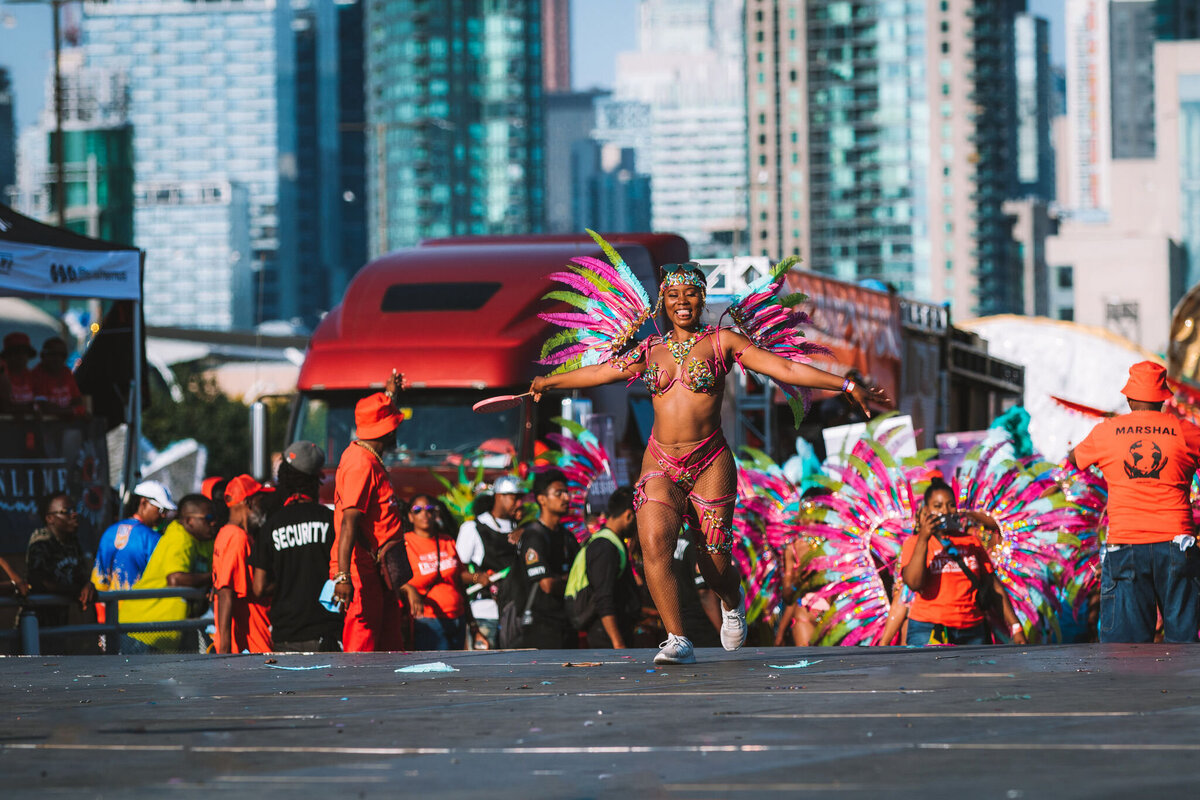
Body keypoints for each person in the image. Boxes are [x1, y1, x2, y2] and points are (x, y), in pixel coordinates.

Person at [530, 262, 888, 664]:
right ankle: (677, 638)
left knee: (713, 563)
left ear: (702, 299)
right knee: (653, 543)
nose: (682, 302)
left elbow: (784, 368)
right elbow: (598, 372)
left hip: (710, 461)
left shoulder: (725, 342)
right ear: (662, 302)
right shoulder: (649, 350)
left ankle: (731, 602)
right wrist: (548, 381)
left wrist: (843, 384)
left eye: (690, 294)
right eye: (673, 296)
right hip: (660, 463)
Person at [1068, 360, 1200, 643]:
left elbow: (1074, 460)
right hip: (1177, 545)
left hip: (1125, 545)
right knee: (1185, 649)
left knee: (1125, 653)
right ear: (1164, 398)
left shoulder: (1106, 431)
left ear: (1128, 398)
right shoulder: (1187, 431)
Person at [331, 372, 408, 652]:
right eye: (394, 423)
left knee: (388, 645)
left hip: (379, 570)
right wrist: (343, 576)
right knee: (362, 648)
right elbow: (349, 524)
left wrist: (390, 394)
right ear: (387, 431)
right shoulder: (360, 463)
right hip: (361, 570)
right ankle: (358, 695)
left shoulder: (368, 454)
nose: (397, 430)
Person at [900, 479, 1026, 646]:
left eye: (951, 505)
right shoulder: (914, 543)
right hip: (928, 629)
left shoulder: (971, 542)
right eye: (938, 506)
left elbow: (994, 586)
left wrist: (1016, 627)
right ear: (926, 510)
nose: (945, 511)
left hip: (972, 631)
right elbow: (914, 584)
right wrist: (924, 537)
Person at [251, 442, 341, 652]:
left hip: (285, 635)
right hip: (327, 633)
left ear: (284, 478)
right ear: (316, 480)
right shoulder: (331, 520)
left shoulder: (271, 525)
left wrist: (286, 579)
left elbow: (258, 587)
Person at [120, 494, 218, 653]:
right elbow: (175, 579)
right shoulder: (179, 537)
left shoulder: (205, 541)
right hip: (142, 630)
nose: (214, 522)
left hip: (168, 632)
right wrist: (213, 578)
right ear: (188, 521)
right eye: (208, 517)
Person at [511, 469, 580, 649]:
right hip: (540, 629)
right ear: (542, 499)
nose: (566, 498)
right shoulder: (534, 536)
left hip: (567, 625)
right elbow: (547, 585)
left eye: (567, 492)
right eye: (559, 493)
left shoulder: (568, 537)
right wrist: (571, 580)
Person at [455, 474, 522, 649]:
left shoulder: (521, 530)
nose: (519, 504)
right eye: (515, 498)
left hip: (515, 615)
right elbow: (455, 573)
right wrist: (478, 578)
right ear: (500, 496)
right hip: (484, 614)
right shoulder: (473, 528)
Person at [571, 487, 642, 648]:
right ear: (629, 515)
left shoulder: (613, 542)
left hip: (615, 634)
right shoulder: (604, 547)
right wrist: (618, 644)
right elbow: (603, 598)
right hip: (606, 639)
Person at [402, 494, 475, 650]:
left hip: (457, 618)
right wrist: (409, 589)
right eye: (417, 510)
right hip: (428, 621)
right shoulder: (405, 544)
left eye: (429, 509)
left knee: (456, 670)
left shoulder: (447, 540)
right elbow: (392, 579)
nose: (425, 514)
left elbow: (459, 577)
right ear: (410, 516)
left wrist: (477, 577)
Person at [213, 474, 273, 653]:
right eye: (260, 500)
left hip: (247, 644)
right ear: (249, 502)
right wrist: (224, 648)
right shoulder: (237, 537)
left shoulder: (226, 533)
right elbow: (225, 591)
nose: (263, 507)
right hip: (250, 644)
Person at [92, 480, 175, 600]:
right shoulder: (153, 538)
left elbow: (99, 579)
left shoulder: (109, 532)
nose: (164, 516)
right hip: (139, 610)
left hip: (109, 611)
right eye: (161, 510)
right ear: (144, 503)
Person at [25, 492, 96, 629]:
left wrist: (87, 585)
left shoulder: (72, 543)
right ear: (50, 518)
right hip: (36, 625)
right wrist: (74, 591)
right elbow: (39, 582)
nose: (74, 514)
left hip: (60, 624)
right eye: (67, 511)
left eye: (75, 510)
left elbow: (79, 575)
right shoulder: (41, 541)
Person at [31, 336, 85, 416]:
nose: (58, 359)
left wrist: (73, 411)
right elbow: (43, 407)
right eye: (53, 354)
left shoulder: (66, 372)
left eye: (62, 355)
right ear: (43, 355)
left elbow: (78, 401)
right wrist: (72, 411)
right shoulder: (36, 375)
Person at [1, 331, 36, 411]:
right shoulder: (3, 376)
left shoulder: (33, 377)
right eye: (16, 352)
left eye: (24, 353)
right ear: (7, 355)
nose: (21, 357)